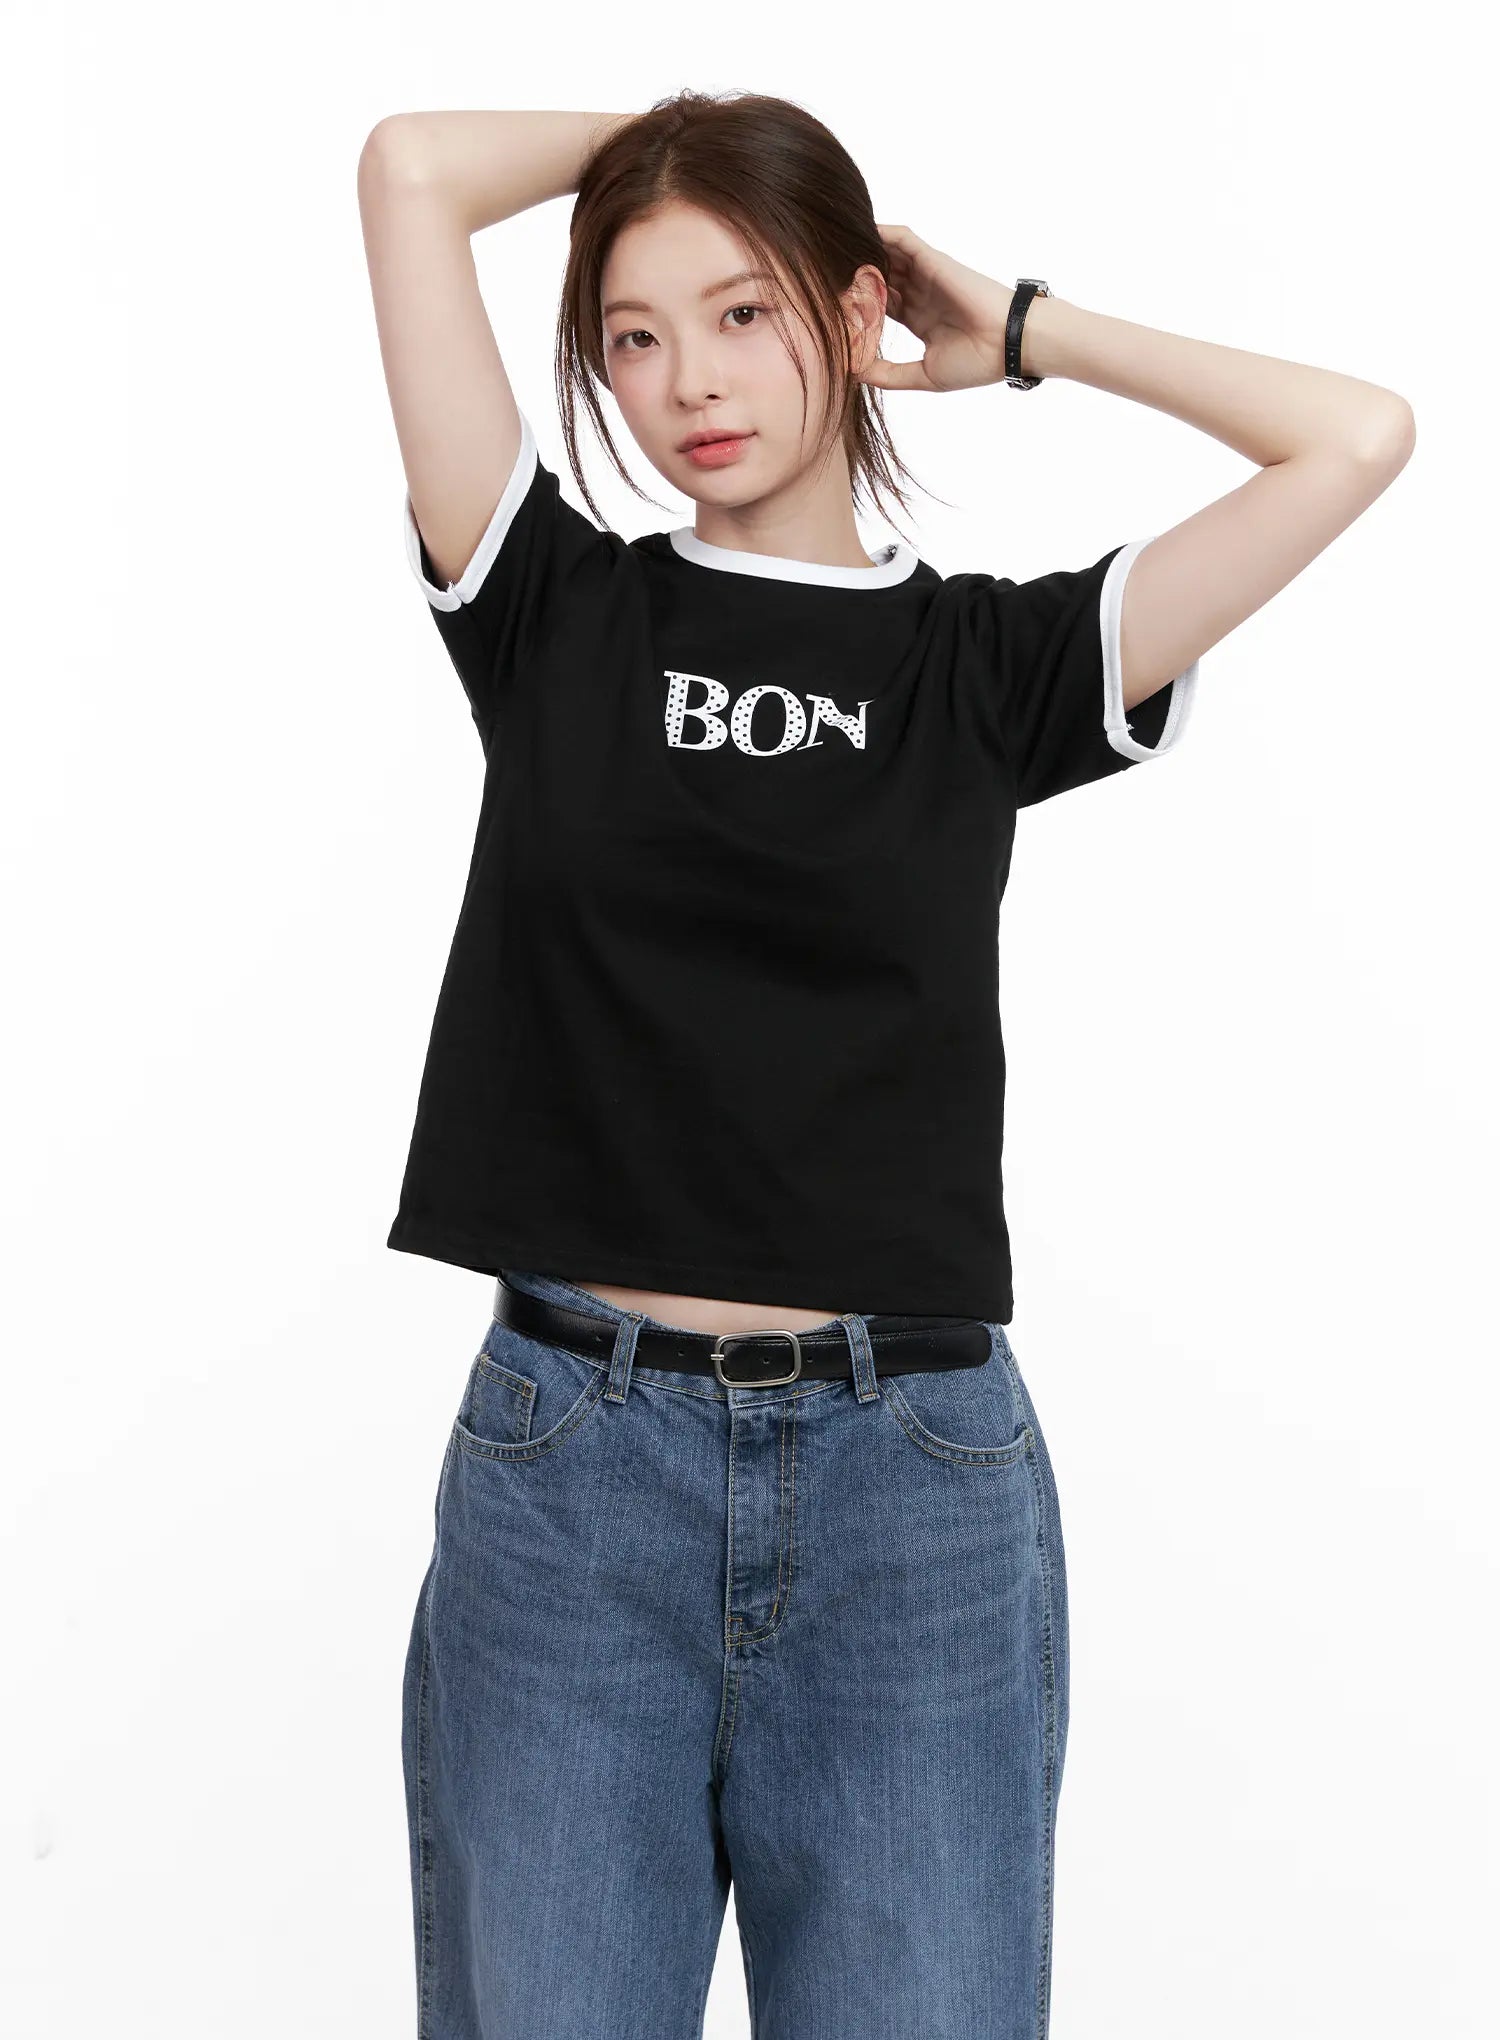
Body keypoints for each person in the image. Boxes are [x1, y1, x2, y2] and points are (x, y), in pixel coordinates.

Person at [357, 88, 1413, 2040]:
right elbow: (411, 171)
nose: (689, 381)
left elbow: (1356, 435)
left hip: (908, 1487)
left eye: (746, 311)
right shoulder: (550, 608)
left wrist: (1021, 333)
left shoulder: (987, 668)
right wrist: (682, 141)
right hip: (574, 1474)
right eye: (634, 336)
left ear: (853, 314)